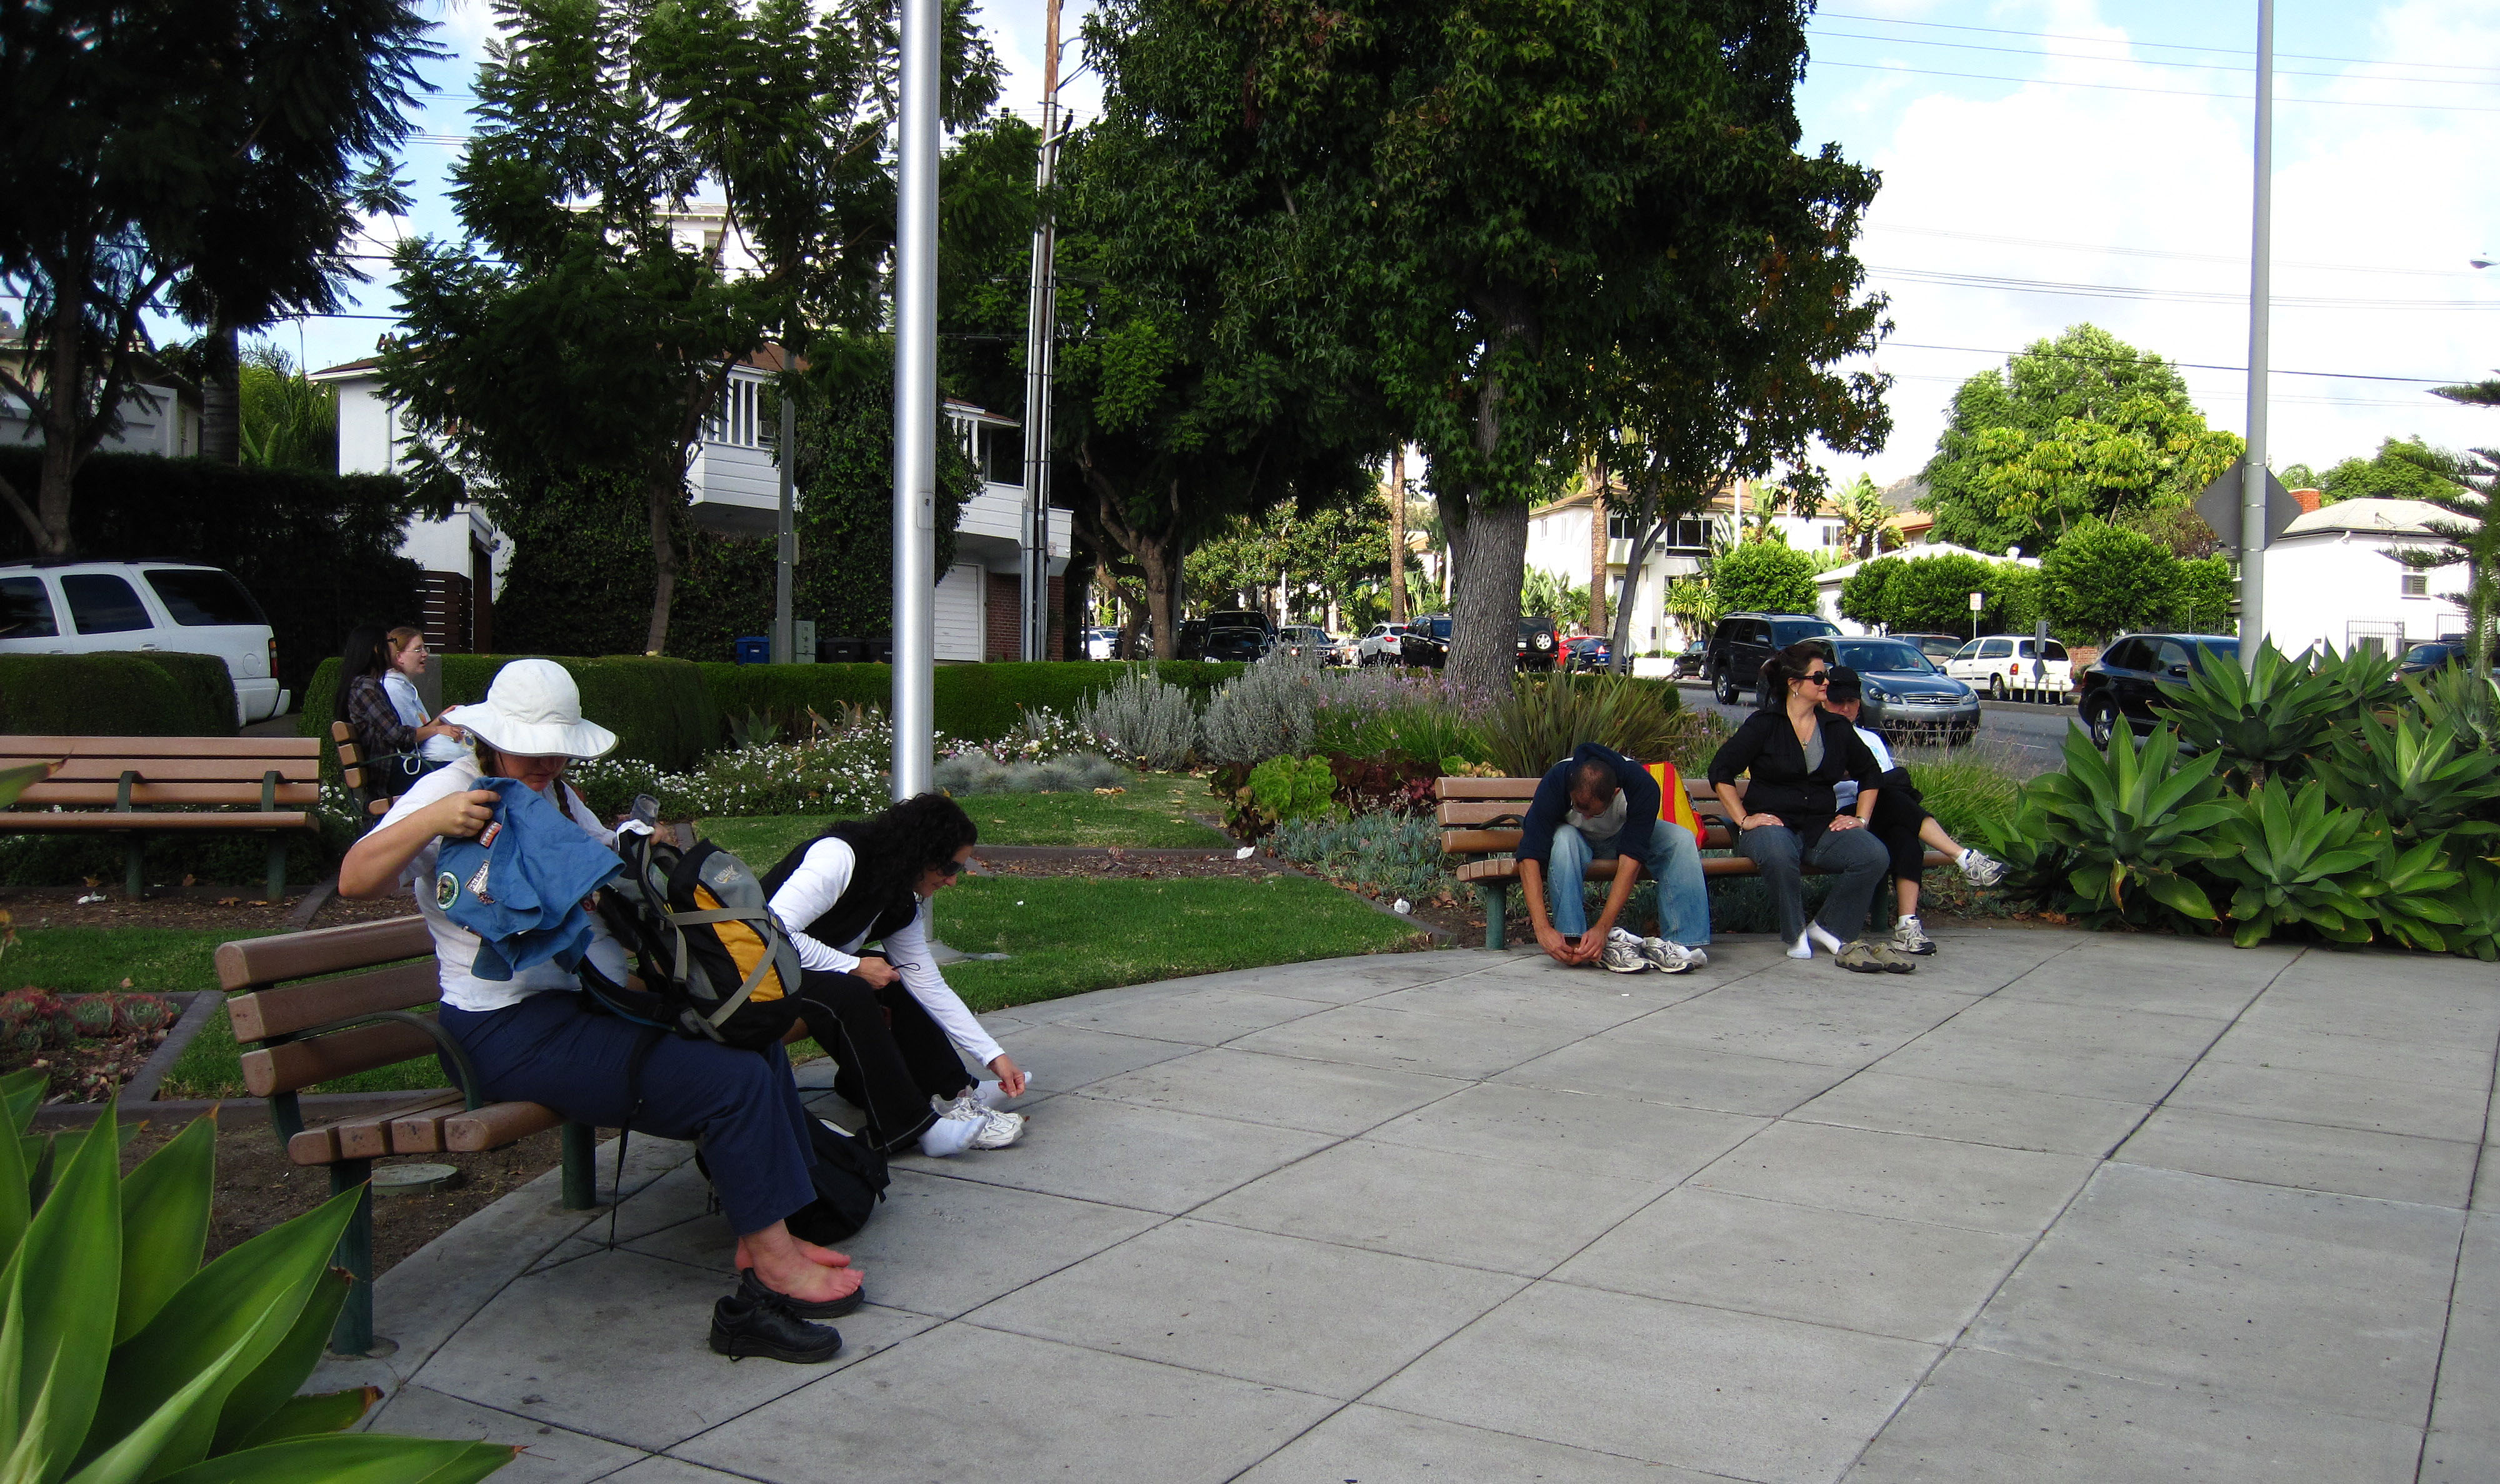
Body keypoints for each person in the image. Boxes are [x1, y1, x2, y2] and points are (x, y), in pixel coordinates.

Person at [338, 659, 860, 1364]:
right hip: (501, 1030)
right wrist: (435, 818)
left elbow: (607, 868)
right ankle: (772, 1266)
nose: (547, 759)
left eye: (557, 747)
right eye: (532, 745)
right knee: (726, 1084)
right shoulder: (452, 788)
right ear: (494, 737)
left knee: (750, 1040)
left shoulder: (555, 795)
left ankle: (769, 1233)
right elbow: (355, 878)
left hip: (574, 1010)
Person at [763, 795, 1030, 1157]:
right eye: (951, 868)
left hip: (797, 967)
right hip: (752, 974)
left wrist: (993, 1056)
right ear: (922, 853)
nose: (953, 882)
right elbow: (773, 931)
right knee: (852, 991)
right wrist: (853, 966)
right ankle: (914, 1126)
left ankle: (956, 1091)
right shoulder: (840, 857)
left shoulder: (899, 896)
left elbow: (928, 983)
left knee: (897, 977)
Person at [1706, 643, 1906, 971]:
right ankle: (1795, 932)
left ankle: (1829, 928)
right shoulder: (1765, 724)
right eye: (1818, 677)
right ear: (1794, 684)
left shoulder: (1835, 728)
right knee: (1778, 853)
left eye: (1825, 676)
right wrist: (1743, 818)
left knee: (1873, 855)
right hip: (1771, 825)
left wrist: (1861, 819)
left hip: (1820, 826)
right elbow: (1721, 772)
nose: (1826, 682)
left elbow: (1871, 773)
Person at [1819, 667, 2007, 956]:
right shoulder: (1816, 737)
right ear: (1823, 701)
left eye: (1852, 702)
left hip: (1873, 815)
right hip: (1837, 818)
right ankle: (1964, 859)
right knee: (1896, 800)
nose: (1845, 709)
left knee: (1902, 826)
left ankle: (1908, 925)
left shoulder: (1870, 740)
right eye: (1837, 702)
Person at [1516, 742, 1711, 974]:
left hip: (1622, 836)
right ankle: (1572, 942)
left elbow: (1631, 859)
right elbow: (1529, 854)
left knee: (1680, 839)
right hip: (1575, 842)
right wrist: (1542, 928)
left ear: (1616, 792)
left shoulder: (1641, 786)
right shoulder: (1557, 779)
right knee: (1565, 838)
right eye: (1579, 809)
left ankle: (1681, 945)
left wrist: (1602, 928)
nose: (1586, 818)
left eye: (1593, 812)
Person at [339, 625, 463, 790]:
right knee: (465, 772)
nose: (395, 646)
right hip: (394, 775)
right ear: (377, 649)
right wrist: (437, 730)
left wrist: (438, 723)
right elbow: (399, 737)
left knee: (463, 770)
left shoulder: (364, 685)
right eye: (391, 641)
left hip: (392, 771)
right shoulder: (367, 687)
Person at [379, 627, 471, 771]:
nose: (425, 654)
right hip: (411, 767)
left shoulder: (404, 686)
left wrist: (440, 720)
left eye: (425, 649)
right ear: (399, 657)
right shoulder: (394, 688)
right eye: (418, 650)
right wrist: (439, 728)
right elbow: (411, 740)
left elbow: (418, 732)